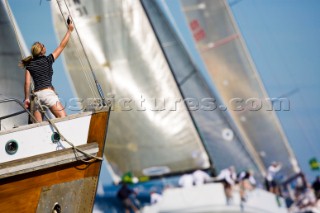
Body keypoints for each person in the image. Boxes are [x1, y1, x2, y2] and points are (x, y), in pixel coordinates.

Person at [20, 17, 74, 122]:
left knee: (38, 127)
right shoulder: (48, 60)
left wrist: (26, 98)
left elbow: (27, 82)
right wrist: (69, 30)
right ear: (41, 51)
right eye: (43, 46)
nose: (45, 46)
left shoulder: (29, 64)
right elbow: (62, 46)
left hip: (36, 97)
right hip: (48, 94)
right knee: (64, 119)